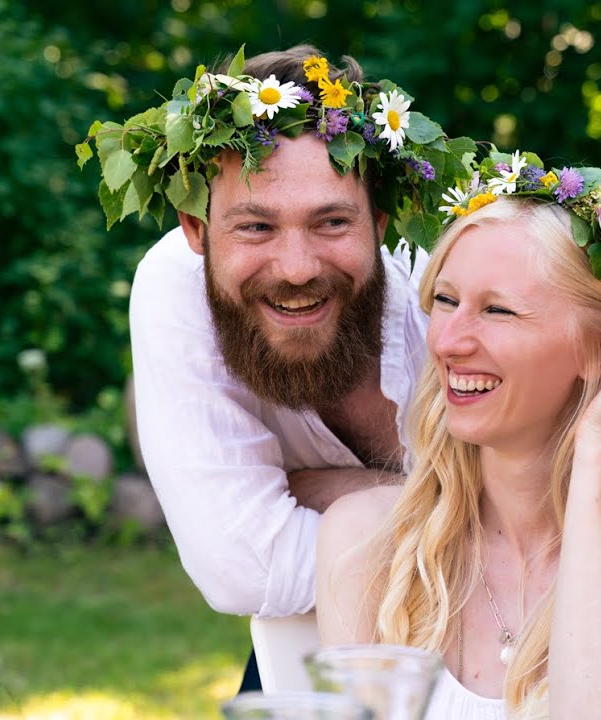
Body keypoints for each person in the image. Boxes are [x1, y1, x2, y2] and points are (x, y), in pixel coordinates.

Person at [316, 152, 601, 719]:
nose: (450, 341)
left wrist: (600, 453)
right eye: (446, 301)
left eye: (499, 311)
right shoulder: (367, 539)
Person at [77, 46, 471, 690]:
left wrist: (330, 494)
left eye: (332, 222)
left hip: (521, 640)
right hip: (307, 649)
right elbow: (242, 567)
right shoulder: (175, 284)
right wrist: (469, 510)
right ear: (196, 229)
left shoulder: (454, 282)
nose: (296, 268)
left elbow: (562, 511)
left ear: (379, 221)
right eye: (256, 226)